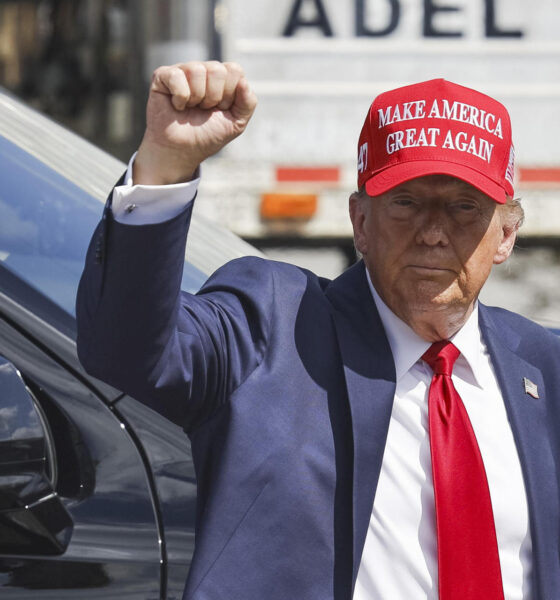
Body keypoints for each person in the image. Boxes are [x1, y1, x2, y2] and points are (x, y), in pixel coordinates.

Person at [76, 61, 560, 600]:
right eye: (405, 203)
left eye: (464, 208)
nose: (431, 233)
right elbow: (127, 347)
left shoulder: (545, 368)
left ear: (507, 236)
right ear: (360, 223)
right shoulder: (273, 326)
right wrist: (165, 165)